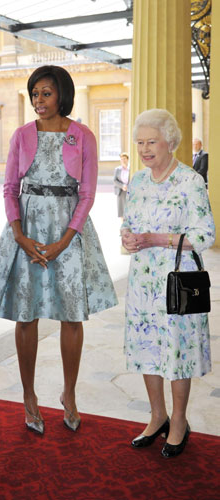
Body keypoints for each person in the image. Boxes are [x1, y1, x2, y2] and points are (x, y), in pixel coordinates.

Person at [0, 65, 117, 434]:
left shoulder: (82, 135)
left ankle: (69, 395)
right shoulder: (22, 135)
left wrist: (65, 240)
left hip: (69, 231)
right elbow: (9, 188)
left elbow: (87, 194)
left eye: (47, 93)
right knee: (27, 314)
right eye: (35, 93)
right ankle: (29, 396)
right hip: (29, 229)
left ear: (62, 94)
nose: (39, 100)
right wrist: (20, 236)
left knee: (73, 317)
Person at [121, 109, 215, 458]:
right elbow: (129, 223)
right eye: (140, 142)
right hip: (143, 281)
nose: (144, 149)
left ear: (170, 142)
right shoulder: (139, 181)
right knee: (148, 349)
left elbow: (205, 234)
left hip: (177, 280)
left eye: (151, 142)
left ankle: (178, 420)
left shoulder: (190, 181)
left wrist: (156, 238)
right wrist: (128, 238)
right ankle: (157, 415)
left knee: (177, 352)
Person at [113, 152, 130, 219]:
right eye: (122, 159)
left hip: (129, 191)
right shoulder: (117, 169)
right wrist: (122, 186)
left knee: (129, 209)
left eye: (124, 159)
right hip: (121, 191)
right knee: (121, 211)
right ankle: (123, 226)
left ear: (127, 159)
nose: (123, 160)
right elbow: (115, 180)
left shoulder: (130, 169)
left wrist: (128, 186)